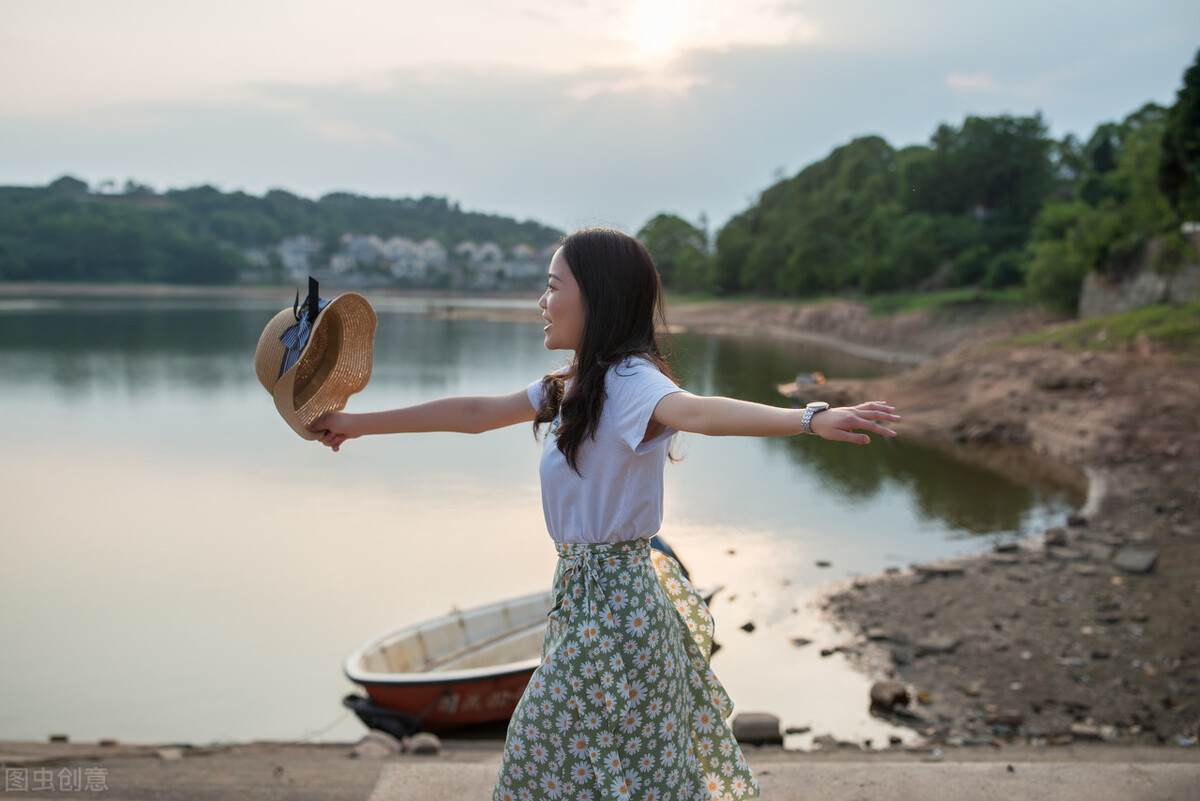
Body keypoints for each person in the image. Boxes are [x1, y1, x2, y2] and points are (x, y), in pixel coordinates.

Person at [310, 228, 899, 801]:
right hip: (585, 603)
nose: (542, 302)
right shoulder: (575, 385)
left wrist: (807, 419)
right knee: (607, 777)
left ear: (598, 297)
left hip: (618, 615)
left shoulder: (630, 380)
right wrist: (356, 424)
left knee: (539, 762)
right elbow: (475, 413)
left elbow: (698, 412)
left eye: (553, 286)